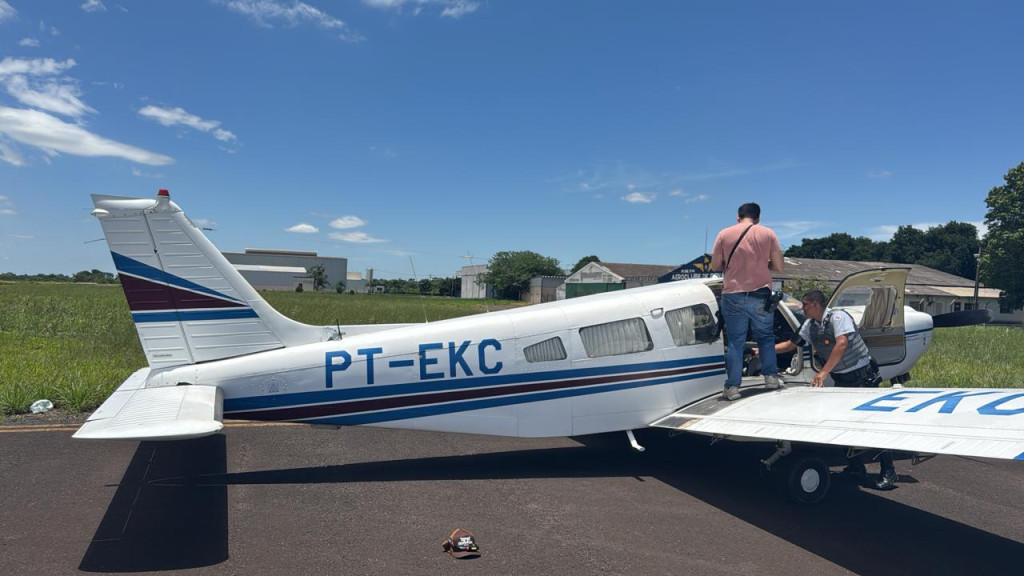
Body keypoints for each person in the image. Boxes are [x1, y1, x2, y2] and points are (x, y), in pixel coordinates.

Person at [774, 290, 898, 490]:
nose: (802, 307)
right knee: (842, 425)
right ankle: (856, 467)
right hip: (842, 380)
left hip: (862, 377)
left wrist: (822, 374)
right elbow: (791, 344)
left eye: (804, 304)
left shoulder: (838, 317)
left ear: (815, 304)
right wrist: (762, 350)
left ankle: (889, 471)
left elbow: (841, 343)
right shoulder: (810, 325)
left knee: (873, 424)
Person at [710, 202, 785, 402]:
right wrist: (762, 262)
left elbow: (715, 265)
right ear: (758, 218)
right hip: (760, 294)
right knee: (766, 337)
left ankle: (733, 387)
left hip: (733, 293)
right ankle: (770, 377)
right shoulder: (768, 233)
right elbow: (778, 266)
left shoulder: (724, 234)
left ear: (738, 217)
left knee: (736, 342)